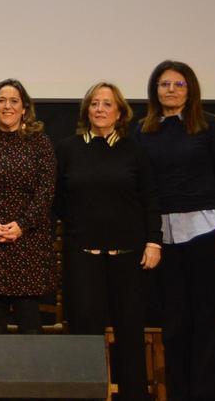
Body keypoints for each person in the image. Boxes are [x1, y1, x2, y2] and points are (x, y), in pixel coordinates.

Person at [133, 60, 215, 400]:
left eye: (178, 84)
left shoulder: (210, 126)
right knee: (175, 323)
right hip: (164, 236)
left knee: (208, 321)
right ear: (155, 90)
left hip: (207, 231)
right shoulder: (143, 131)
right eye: (165, 84)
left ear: (190, 89)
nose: (171, 90)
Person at [56, 81, 160, 401]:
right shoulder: (69, 148)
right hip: (83, 254)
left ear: (120, 112)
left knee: (130, 332)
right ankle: (86, 395)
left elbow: (150, 199)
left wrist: (154, 242)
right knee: (85, 333)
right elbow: (57, 199)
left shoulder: (135, 150)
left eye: (107, 104)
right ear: (87, 110)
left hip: (128, 255)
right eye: (95, 104)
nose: (100, 109)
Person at [0, 78, 57, 334]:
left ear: (24, 107)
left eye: (14, 101)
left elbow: (46, 190)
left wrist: (22, 226)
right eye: (1, 101)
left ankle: (32, 374)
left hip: (28, 240)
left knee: (29, 317)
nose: (7, 106)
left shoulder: (40, 142)